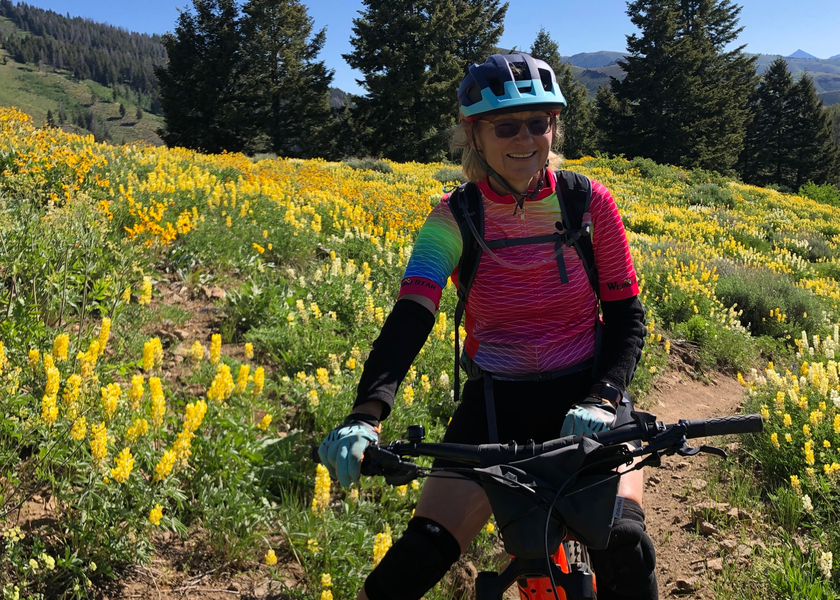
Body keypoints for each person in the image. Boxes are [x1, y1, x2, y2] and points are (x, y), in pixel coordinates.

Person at [319, 53, 656, 600]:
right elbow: (411, 317)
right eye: (506, 125)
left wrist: (605, 395)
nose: (524, 138)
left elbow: (625, 316)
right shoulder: (453, 218)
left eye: (538, 122)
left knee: (625, 548)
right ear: (473, 134)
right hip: (497, 402)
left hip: (589, 396)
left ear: (554, 127)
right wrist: (367, 414)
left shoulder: (589, 203)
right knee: (407, 568)